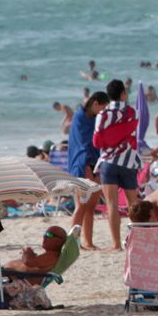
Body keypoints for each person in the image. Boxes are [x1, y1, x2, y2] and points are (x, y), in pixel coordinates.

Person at [93, 80, 141, 251]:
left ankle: (116, 244)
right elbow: (133, 134)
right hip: (128, 161)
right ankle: (136, 242)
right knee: (133, 204)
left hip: (108, 162)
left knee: (111, 204)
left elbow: (97, 141)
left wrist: (110, 140)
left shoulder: (103, 114)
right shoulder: (133, 112)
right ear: (123, 94)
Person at [68, 92, 107, 248]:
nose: (104, 111)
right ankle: (72, 244)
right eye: (103, 107)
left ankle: (88, 242)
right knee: (81, 206)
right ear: (95, 104)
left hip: (96, 163)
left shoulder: (96, 119)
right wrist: (86, 166)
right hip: (81, 165)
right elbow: (81, 144)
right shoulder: (79, 118)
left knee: (91, 207)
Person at [0, 225, 67, 283]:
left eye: (49, 235)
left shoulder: (53, 255)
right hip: (3, 278)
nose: (45, 237)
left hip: (5, 285)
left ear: (59, 242)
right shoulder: (48, 256)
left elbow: (29, 262)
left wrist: (27, 251)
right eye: (45, 234)